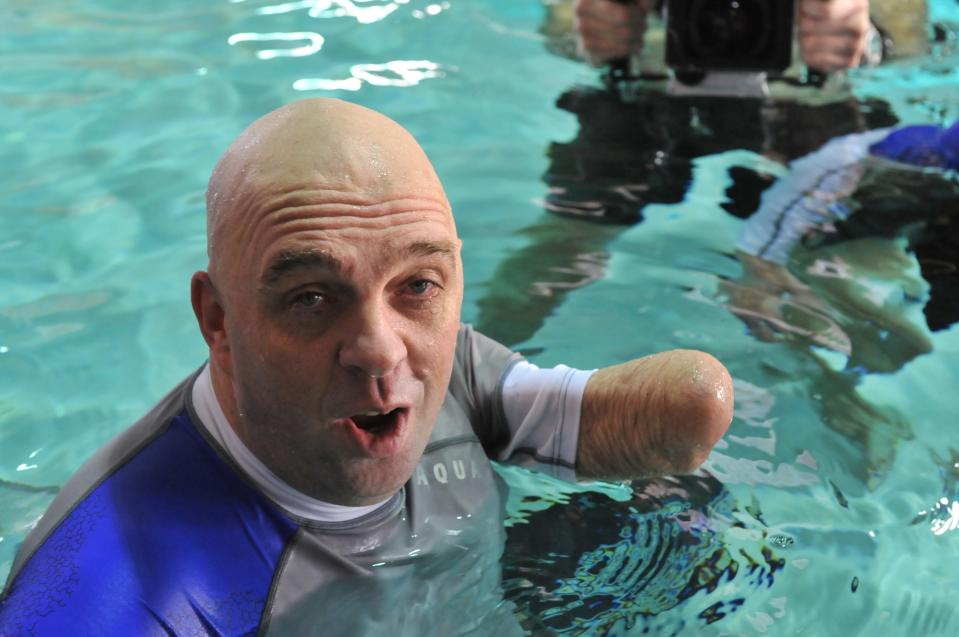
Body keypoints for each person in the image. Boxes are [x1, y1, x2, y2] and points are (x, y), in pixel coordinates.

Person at [0, 98, 734, 635]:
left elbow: (660, 416)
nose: (381, 349)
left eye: (417, 285)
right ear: (217, 321)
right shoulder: (112, 598)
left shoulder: (457, 370)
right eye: (312, 298)